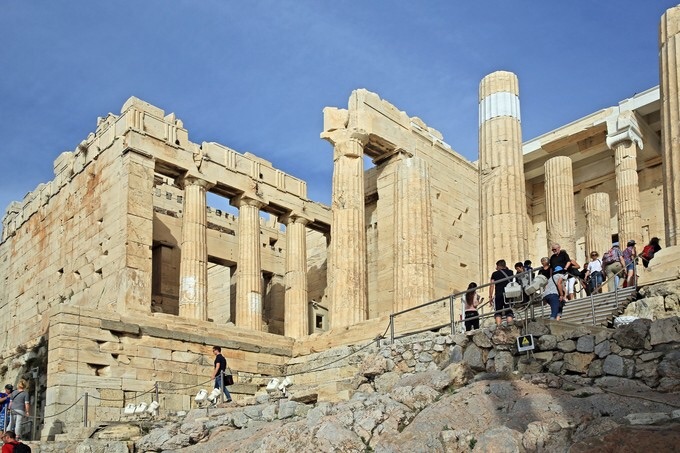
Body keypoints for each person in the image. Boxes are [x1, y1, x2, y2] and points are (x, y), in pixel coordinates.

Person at [488, 260, 515, 326]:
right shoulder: (510, 272)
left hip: (499, 294)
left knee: (498, 312)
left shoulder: (495, 274)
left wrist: (490, 296)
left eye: (497, 266)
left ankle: (499, 327)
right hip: (508, 294)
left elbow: (492, 285)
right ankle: (510, 327)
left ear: (499, 266)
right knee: (508, 311)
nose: (496, 268)